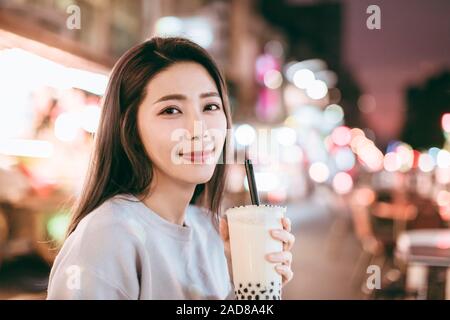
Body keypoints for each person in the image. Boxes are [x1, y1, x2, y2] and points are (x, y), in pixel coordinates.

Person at [47, 37, 295, 299]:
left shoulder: (209, 231)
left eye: (210, 106)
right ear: (130, 129)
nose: (198, 129)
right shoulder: (108, 237)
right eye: (171, 110)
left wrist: (247, 288)